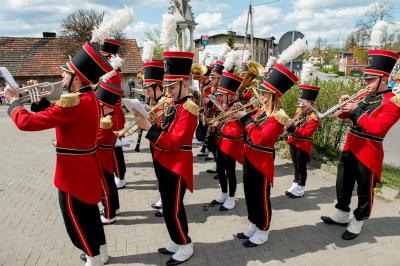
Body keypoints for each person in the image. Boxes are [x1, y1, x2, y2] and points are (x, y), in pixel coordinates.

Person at [4, 42, 113, 266]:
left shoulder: (73, 103)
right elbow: (61, 117)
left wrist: (14, 102)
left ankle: (92, 258)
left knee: (76, 221)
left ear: (79, 78)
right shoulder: (87, 98)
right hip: (85, 167)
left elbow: (26, 123)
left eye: (67, 73)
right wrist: (40, 101)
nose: (62, 76)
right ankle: (100, 252)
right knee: (90, 216)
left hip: (72, 174)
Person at [321, 49, 400, 240]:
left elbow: (378, 128)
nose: (365, 83)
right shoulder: (365, 96)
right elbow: (342, 116)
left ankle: (358, 220)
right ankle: (341, 214)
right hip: (350, 147)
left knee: (365, 191)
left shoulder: (393, 102)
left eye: (370, 80)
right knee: (343, 184)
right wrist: (343, 106)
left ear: (383, 78)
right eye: (365, 79)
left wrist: (356, 110)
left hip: (369, 151)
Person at [134, 51, 198, 265]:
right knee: (168, 207)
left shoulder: (189, 109)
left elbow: (173, 142)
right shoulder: (173, 105)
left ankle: (185, 243)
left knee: (174, 207)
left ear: (183, 84)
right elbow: (163, 130)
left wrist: (149, 127)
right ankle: (176, 239)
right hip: (164, 162)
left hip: (177, 165)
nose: (168, 91)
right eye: (167, 87)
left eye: (171, 87)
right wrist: (148, 116)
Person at [233, 63, 298, 247]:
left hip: (262, 161)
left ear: (273, 95)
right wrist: (238, 116)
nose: (260, 96)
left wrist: (245, 117)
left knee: (261, 197)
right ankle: (254, 223)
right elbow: (247, 133)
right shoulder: (261, 112)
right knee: (250, 194)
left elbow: (260, 138)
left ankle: (264, 229)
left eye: (264, 93)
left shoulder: (279, 116)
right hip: (249, 157)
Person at [210, 72, 244, 211]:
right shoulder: (225, 105)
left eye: (223, 95)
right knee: (220, 169)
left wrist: (219, 125)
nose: (221, 97)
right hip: (220, 142)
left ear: (230, 94)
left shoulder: (237, 107)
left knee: (230, 172)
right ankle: (224, 194)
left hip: (231, 145)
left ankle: (231, 197)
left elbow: (236, 132)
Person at [99, 38, 127, 189]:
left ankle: (120, 176)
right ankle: (119, 175)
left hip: (112, 113)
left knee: (115, 148)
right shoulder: (109, 72)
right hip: (108, 113)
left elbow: (108, 95)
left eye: (104, 57)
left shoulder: (113, 73)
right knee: (113, 148)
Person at [95, 81, 124, 225]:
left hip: (101, 157)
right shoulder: (111, 116)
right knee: (110, 185)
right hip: (106, 156)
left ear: (105, 105)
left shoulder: (106, 121)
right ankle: (115, 208)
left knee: (104, 188)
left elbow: (95, 140)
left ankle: (109, 214)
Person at [285, 84, 320, 198]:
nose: (301, 108)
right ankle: (295, 183)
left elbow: (306, 133)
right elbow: (295, 124)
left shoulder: (314, 117)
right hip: (293, 142)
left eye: (303, 106)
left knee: (301, 167)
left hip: (303, 145)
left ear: (311, 105)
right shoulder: (299, 111)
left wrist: (292, 128)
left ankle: (301, 187)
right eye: (300, 106)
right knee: (295, 165)